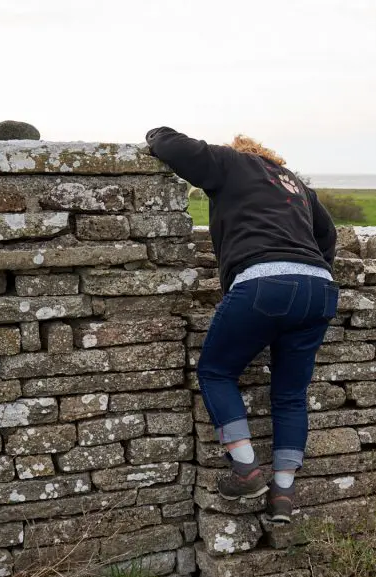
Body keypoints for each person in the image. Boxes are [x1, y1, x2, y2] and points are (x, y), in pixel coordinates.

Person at [144, 127, 339, 524]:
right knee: (290, 394)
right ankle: (283, 493)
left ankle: (247, 471)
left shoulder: (233, 162)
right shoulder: (296, 184)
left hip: (262, 283)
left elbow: (172, 146)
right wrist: (308, 270)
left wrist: (153, 133)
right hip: (320, 288)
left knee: (216, 372)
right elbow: (327, 234)